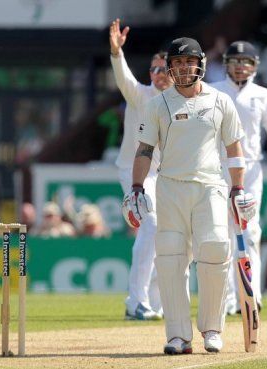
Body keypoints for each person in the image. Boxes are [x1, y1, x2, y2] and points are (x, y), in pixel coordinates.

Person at [128, 37, 254, 354]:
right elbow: (144, 149)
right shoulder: (158, 104)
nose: (184, 69)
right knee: (170, 259)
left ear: (200, 64)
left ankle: (212, 329)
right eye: (178, 63)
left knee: (213, 250)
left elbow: (235, 149)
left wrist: (238, 189)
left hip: (210, 185)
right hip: (170, 186)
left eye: (189, 62)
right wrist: (136, 188)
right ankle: (178, 336)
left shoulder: (220, 100)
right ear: (171, 68)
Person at [211, 40, 267, 314]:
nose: (240, 67)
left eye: (245, 62)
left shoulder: (262, 94)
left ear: (254, 66)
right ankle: (228, 300)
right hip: (219, 168)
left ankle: (252, 295)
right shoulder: (213, 91)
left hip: (251, 169)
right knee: (222, 235)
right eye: (235, 62)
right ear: (227, 64)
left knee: (250, 231)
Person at [110, 19, 173, 321]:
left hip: (165, 177)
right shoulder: (140, 95)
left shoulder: (182, 102)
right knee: (149, 226)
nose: (158, 75)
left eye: (164, 69)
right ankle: (136, 301)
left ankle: (156, 303)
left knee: (169, 235)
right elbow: (124, 79)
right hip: (135, 173)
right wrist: (116, 53)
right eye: (154, 69)